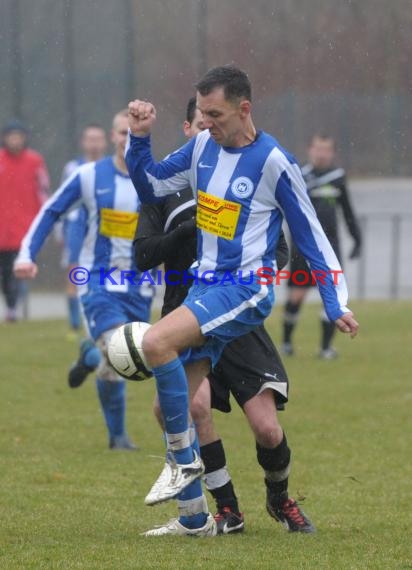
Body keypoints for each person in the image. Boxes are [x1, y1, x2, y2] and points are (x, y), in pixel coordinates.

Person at [125, 65, 359, 538]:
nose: (205, 122)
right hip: (203, 289)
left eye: (215, 113)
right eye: (201, 112)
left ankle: (185, 465)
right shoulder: (202, 146)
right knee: (181, 403)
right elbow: (150, 186)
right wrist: (139, 138)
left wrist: (336, 303)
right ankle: (201, 511)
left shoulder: (274, 162)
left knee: (155, 344)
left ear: (244, 108)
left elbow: (312, 238)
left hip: (244, 292)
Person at [14, 110, 153, 450]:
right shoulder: (90, 175)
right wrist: (26, 254)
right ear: (112, 135)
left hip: (140, 284)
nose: (127, 138)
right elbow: (52, 210)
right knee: (119, 348)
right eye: (122, 131)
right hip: (98, 280)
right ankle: (119, 435)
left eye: (134, 132)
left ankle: (90, 359)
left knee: (121, 364)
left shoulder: (155, 178)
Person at [281, 133, 362, 359]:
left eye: (326, 149)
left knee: (335, 298)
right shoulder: (299, 175)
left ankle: (325, 348)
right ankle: (286, 344)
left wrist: (357, 239)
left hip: (331, 250)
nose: (322, 154)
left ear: (332, 152)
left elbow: (347, 211)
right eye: (318, 149)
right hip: (302, 249)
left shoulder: (337, 177)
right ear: (310, 150)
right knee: (296, 296)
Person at [59, 124, 107, 336]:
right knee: (74, 270)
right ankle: (74, 323)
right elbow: (62, 200)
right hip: (78, 225)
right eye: (90, 139)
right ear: (83, 142)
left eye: (98, 139)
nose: (94, 143)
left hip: (104, 226)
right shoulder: (73, 167)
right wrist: (60, 229)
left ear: (105, 142)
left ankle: (100, 315)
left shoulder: (111, 166)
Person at [0, 119, 49, 321]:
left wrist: (43, 220)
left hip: (24, 227)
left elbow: (43, 191)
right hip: (2, 227)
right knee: (5, 272)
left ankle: (13, 308)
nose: (14, 140)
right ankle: (12, 304)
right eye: (11, 136)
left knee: (16, 270)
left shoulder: (34, 161)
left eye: (18, 136)